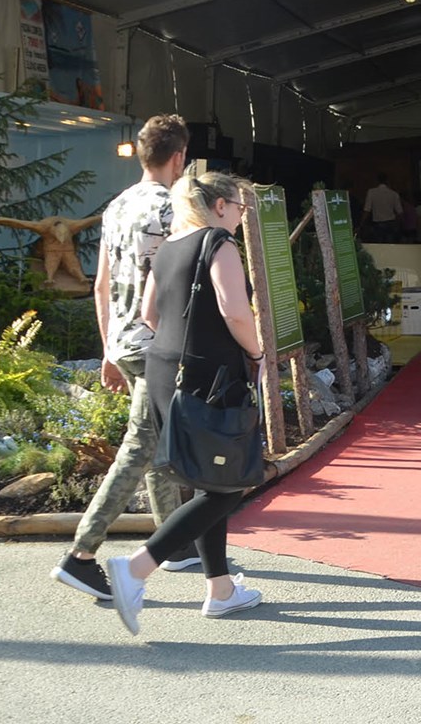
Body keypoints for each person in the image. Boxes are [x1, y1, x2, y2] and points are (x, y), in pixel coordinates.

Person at [105, 170, 265, 636]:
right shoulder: (219, 243)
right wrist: (256, 354)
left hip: (164, 368)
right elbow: (235, 310)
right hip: (211, 373)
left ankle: (220, 589)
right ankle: (136, 567)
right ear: (220, 206)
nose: (241, 217)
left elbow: (149, 314)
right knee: (229, 482)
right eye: (240, 207)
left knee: (208, 477)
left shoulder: (170, 245)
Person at [53, 114, 197, 601]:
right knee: (140, 445)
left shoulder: (116, 206)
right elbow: (181, 283)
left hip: (123, 341)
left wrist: (108, 349)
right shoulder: (173, 209)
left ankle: (172, 543)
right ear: (179, 157)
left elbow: (101, 284)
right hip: (159, 344)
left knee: (154, 441)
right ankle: (81, 554)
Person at [360, 172, 404, 243]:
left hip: (377, 224)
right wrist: (398, 225)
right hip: (391, 223)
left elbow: (367, 210)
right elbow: (400, 212)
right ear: (387, 181)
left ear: (377, 181)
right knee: (390, 245)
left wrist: (361, 223)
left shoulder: (371, 192)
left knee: (379, 245)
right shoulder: (394, 194)